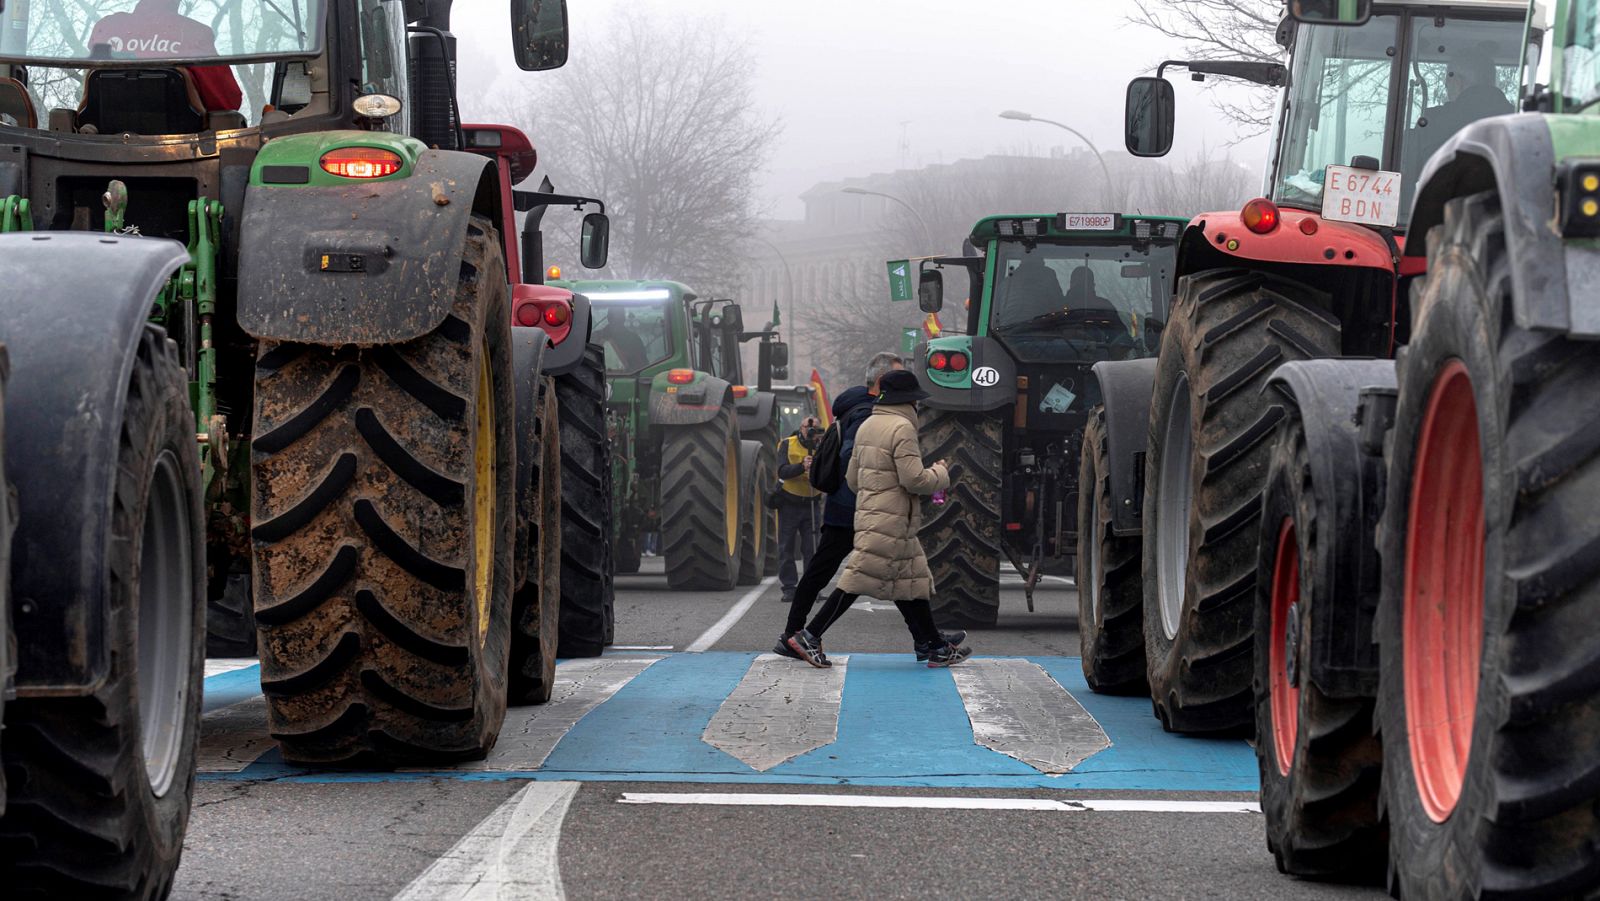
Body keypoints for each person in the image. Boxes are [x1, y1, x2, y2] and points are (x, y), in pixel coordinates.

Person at [774, 352, 964, 661]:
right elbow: (877, 468)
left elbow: (853, 472)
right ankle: (803, 635)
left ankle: (930, 641)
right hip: (865, 512)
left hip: (861, 507)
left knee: (906, 574)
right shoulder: (874, 417)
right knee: (858, 577)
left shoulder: (863, 414)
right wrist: (930, 476)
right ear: (881, 382)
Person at [87, 0, 243, 112]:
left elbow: (90, 88)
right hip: (179, 150)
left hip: (101, 145)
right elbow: (228, 102)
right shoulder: (194, 33)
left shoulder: (106, 27)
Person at [773, 416, 823, 603]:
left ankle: (810, 588)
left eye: (816, 429)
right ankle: (789, 588)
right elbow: (782, 471)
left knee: (812, 548)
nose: (811, 432)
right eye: (808, 428)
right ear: (800, 428)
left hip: (812, 503)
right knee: (786, 547)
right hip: (790, 503)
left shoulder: (822, 446)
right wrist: (802, 467)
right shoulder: (787, 444)